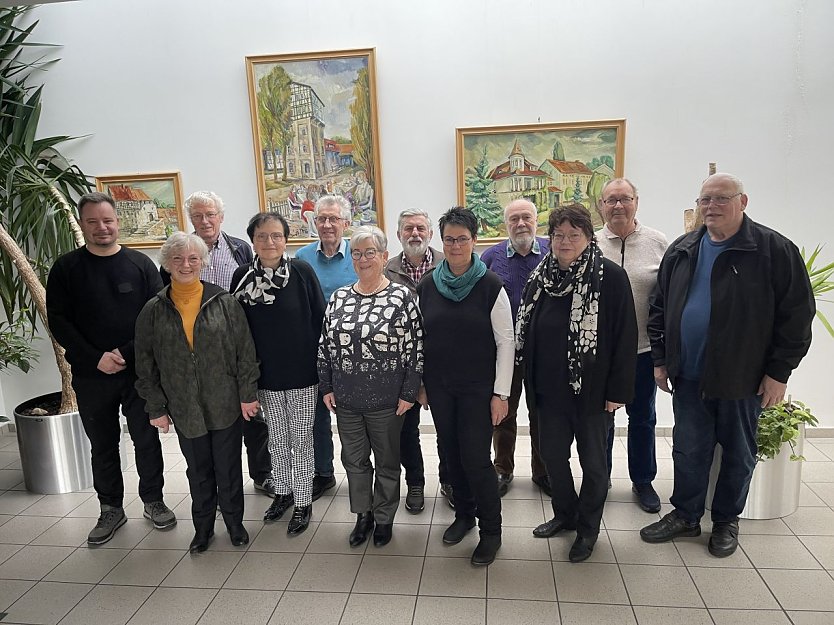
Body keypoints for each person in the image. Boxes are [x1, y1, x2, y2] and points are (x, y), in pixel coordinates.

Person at [640, 173, 815, 557]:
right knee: (688, 449)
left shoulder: (772, 250)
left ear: (743, 201)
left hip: (743, 378)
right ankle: (686, 515)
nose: (711, 207)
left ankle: (725, 522)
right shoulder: (683, 249)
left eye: (721, 199)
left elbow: (797, 316)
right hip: (688, 374)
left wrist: (778, 373)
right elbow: (660, 307)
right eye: (705, 200)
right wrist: (661, 360)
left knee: (738, 452)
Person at [46, 192, 176, 546]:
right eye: (93, 222)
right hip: (91, 376)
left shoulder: (140, 265)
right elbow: (58, 320)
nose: (102, 228)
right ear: (83, 224)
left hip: (139, 375)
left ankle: (153, 501)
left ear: (118, 222)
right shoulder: (66, 269)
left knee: (146, 440)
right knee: (102, 445)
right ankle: (110, 508)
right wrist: (95, 357)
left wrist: (124, 352)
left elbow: (158, 317)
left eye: (108, 220)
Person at [519, 204, 637, 563]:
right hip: (548, 391)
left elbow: (625, 337)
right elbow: (527, 330)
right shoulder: (541, 277)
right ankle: (565, 514)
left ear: (588, 237)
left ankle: (587, 529)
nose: (564, 241)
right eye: (558, 234)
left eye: (573, 234)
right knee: (553, 458)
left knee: (594, 465)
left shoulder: (610, 277)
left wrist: (617, 393)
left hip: (592, 393)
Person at [135, 232, 260, 553]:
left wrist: (247, 394)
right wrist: (156, 408)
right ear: (167, 263)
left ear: (203, 262)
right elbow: (145, 365)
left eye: (193, 258)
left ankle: (234, 524)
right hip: (184, 405)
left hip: (225, 401)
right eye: (178, 259)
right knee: (198, 471)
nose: (186, 264)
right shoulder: (153, 309)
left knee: (229, 467)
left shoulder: (225, 302)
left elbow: (245, 352)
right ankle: (203, 527)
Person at [417, 207, 514, 567]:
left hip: (478, 389)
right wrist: (422, 385)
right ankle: (464, 515)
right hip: (441, 388)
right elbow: (420, 339)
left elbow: (506, 343)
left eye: (462, 239)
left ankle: (492, 531)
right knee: (450, 454)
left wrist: (500, 394)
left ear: (474, 241)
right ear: (441, 241)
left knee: (476, 459)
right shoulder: (427, 284)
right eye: (448, 239)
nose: (455, 246)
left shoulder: (490, 285)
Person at [162, 191, 273, 497]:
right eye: (198, 215)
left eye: (211, 214)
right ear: (190, 219)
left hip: (238, 344)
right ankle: (215, 484)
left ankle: (262, 474)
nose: (205, 220)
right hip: (196, 352)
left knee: (252, 415)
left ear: (221, 217)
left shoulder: (240, 249)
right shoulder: (180, 253)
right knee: (212, 423)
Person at [318, 226, 423, 548]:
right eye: (357, 253)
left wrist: (409, 393)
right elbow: (325, 345)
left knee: (388, 461)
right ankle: (362, 514)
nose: (363, 259)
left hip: (387, 401)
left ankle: (384, 517)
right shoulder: (339, 297)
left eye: (370, 253)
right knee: (354, 460)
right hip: (346, 399)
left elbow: (416, 348)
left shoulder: (401, 297)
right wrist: (326, 385)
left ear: (383, 256)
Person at [230, 213, 325, 535]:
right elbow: (237, 330)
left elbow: (319, 321)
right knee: (277, 440)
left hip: (301, 375)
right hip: (264, 376)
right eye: (262, 236)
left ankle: (302, 501)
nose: (269, 242)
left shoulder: (301, 271)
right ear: (252, 240)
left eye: (276, 236)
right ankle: (283, 492)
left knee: (301, 440)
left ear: (286, 239)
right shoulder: (242, 276)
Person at [596, 179, 668, 513]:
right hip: (602, 355)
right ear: (601, 205)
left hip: (642, 350)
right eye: (611, 200)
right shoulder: (591, 244)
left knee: (642, 418)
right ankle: (601, 477)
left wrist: (663, 353)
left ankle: (643, 481)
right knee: (602, 420)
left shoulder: (658, 243)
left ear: (637, 202)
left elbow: (668, 298)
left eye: (625, 199)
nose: (618, 206)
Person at [480, 199, 551, 498]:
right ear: (505, 224)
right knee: (503, 413)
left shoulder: (552, 251)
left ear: (537, 220)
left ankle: (543, 471)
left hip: (544, 354)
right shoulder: (490, 257)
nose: (521, 224)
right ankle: (502, 468)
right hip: (504, 354)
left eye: (526, 217)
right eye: (514, 219)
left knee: (543, 414)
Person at [384, 208, 447, 513]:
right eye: (408, 228)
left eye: (421, 228)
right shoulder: (387, 270)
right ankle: (416, 484)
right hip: (403, 365)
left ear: (430, 234)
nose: (415, 234)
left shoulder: (448, 265)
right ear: (399, 235)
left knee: (448, 427)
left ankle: (449, 481)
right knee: (407, 430)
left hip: (442, 362)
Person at [295, 195, 358, 500]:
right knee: (318, 415)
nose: (328, 224)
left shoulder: (358, 254)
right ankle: (323, 473)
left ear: (346, 223)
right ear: (314, 222)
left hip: (355, 352)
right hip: (312, 350)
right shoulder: (301, 258)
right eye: (322, 218)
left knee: (358, 416)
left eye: (334, 219)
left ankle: (362, 473)